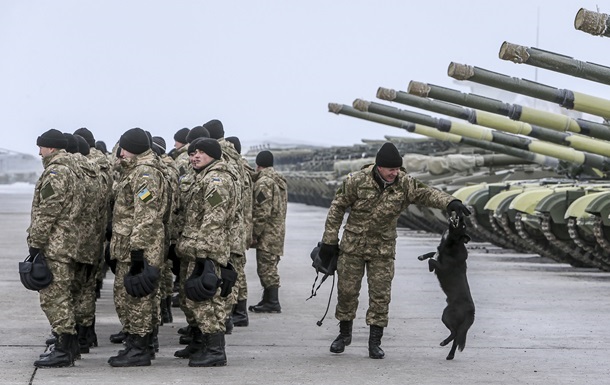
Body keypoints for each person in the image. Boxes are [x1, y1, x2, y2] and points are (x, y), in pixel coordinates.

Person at [318, 142, 470, 359]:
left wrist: (451, 202)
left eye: (397, 169)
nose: (394, 173)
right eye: (390, 169)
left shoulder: (404, 183)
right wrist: (329, 240)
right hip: (353, 247)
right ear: (379, 167)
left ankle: (374, 342)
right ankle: (344, 335)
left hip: (383, 248)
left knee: (380, 295)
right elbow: (337, 207)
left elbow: (428, 194)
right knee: (347, 291)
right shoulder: (356, 181)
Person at [107, 128, 169, 367]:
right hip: (133, 246)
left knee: (135, 298)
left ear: (131, 148)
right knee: (133, 297)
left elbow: (146, 215)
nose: (120, 153)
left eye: (123, 148)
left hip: (139, 248)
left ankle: (139, 349)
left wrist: (137, 253)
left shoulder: (144, 174)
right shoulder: (138, 171)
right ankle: (138, 344)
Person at [175, 138, 237, 367]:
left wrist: (203, 254)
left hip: (207, 249)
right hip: (198, 247)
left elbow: (215, 217)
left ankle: (215, 350)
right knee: (198, 298)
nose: (195, 156)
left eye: (201, 152)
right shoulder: (204, 176)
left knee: (206, 300)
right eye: (192, 153)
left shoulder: (216, 179)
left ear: (213, 155)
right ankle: (205, 344)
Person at [28, 129, 84, 368]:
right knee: (62, 295)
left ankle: (63, 349)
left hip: (56, 244)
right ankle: (69, 346)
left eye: (41, 147)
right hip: (68, 241)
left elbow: (48, 211)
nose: (39, 151)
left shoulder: (56, 172)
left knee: (54, 297)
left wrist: (35, 242)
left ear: (51, 148)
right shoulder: (73, 168)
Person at [248, 150, 288, 313]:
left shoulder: (264, 182)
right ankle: (267, 299)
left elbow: (262, 210)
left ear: (258, 164)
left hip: (268, 232)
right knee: (269, 265)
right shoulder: (278, 180)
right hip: (277, 230)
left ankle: (272, 301)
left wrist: (255, 233)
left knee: (266, 268)